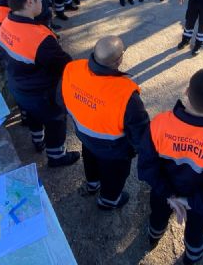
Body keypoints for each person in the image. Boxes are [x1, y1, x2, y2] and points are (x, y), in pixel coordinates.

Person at [139, 69, 203, 265]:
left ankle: (153, 237)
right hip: (200, 205)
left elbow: (146, 167)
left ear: (186, 91)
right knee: (196, 231)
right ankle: (193, 257)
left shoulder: (160, 123)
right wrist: (190, 203)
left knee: (158, 217)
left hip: (163, 194)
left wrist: (170, 195)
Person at [57, 36, 149, 210]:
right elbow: (140, 135)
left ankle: (92, 184)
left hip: (86, 138)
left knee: (90, 161)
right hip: (114, 151)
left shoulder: (73, 69)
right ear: (119, 60)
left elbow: (60, 99)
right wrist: (134, 150)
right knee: (114, 177)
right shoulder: (126, 95)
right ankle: (108, 201)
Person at [0, 0, 80, 167]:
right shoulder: (39, 38)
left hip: (18, 86)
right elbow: (64, 65)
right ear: (29, 2)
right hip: (40, 92)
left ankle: (38, 141)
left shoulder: (6, 23)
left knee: (32, 115)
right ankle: (56, 156)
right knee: (56, 119)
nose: (42, 1)